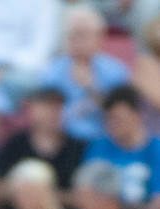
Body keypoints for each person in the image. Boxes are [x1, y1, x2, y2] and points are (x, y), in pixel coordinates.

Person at [38, 4, 131, 142]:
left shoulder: (116, 72)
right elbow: (44, 116)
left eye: (83, 35)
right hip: (63, 142)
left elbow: (122, 116)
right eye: (73, 35)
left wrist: (92, 89)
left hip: (104, 141)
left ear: (99, 36)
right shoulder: (52, 72)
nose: (77, 41)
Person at [0, 87, 86, 209]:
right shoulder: (15, 144)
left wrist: (41, 194)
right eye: (45, 106)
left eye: (57, 107)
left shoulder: (77, 148)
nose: (51, 113)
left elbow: (84, 198)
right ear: (31, 110)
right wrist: (24, 190)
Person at [85, 84, 160, 209]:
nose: (112, 125)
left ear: (137, 114)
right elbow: (85, 192)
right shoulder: (99, 147)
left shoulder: (155, 149)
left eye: (118, 119)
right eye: (108, 119)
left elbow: (157, 203)